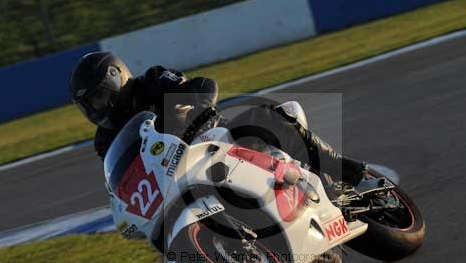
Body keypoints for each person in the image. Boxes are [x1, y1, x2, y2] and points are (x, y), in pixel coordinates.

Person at [69, 51, 367, 184]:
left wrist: (186, 116)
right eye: (87, 104)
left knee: (265, 118)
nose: (95, 108)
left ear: (115, 79)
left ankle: (347, 171)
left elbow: (201, 85)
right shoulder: (105, 139)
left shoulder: (152, 80)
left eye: (97, 97)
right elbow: (127, 179)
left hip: (215, 137)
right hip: (177, 176)